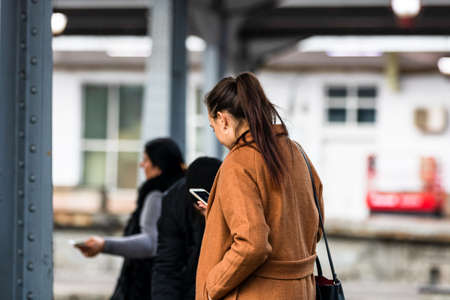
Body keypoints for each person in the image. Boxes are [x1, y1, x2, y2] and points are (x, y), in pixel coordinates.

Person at [195, 72, 324, 300]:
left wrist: (211, 286)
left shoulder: (239, 162)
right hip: (302, 291)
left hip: (254, 292)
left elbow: (252, 244)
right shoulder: (297, 153)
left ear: (223, 119)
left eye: (212, 125)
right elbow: (315, 227)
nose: (214, 133)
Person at [75, 138, 185, 300]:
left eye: (146, 160)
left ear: (159, 164)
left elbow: (150, 243)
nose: (142, 165)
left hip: (146, 286)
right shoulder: (181, 191)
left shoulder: (156, 194)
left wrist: (104, 245)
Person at [152, 157, 222, 300]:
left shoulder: (237, 202)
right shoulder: (174, 202)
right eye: (200, 207)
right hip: (187, 284)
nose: (205, 211)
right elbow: (167, 265)